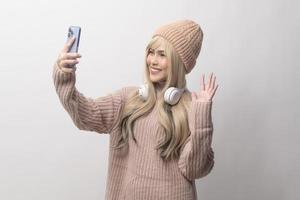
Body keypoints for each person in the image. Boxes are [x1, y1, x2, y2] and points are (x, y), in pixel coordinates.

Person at [52, 19, 218, 200]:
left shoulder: (190, 107)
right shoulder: (128, 99)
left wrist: (202, 120)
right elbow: (85, 116)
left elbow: (194, 169)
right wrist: (64, 77)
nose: (152, 61)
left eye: (162, 55)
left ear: (178, 62)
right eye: (151, 52)